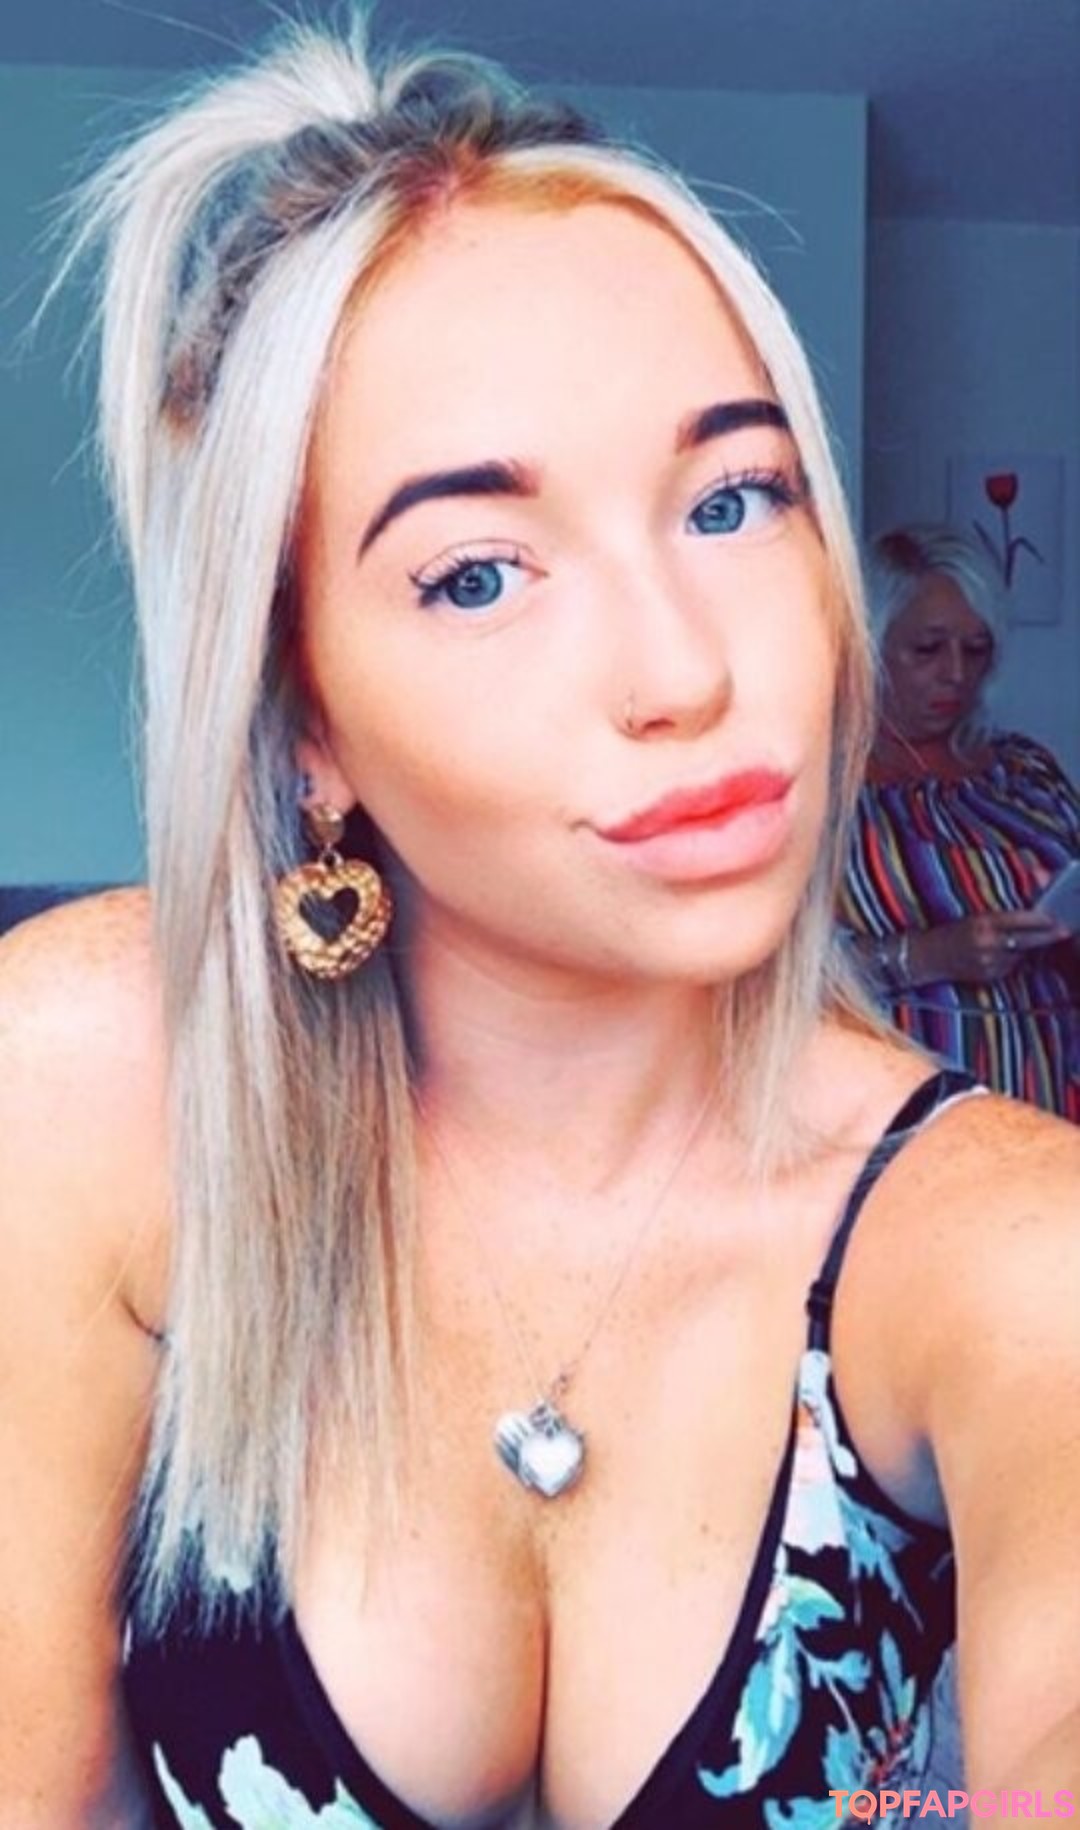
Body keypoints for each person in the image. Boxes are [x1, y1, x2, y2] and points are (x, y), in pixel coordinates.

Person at [2, 17, 1078, 1829]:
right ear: (305, 720)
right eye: (479, 574)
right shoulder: (86, 1081)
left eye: (732, 499)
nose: (683, 670)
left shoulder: (1007, 1244)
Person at [840, 524, 1080, 1121]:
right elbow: (767, 979)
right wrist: (929, 955)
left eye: (976, 650)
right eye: (928, 649)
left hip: (1047, 1088)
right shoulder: (826, 792)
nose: (956, 674)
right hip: (903, 1107)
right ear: (869, 642)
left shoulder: (1024, 772)